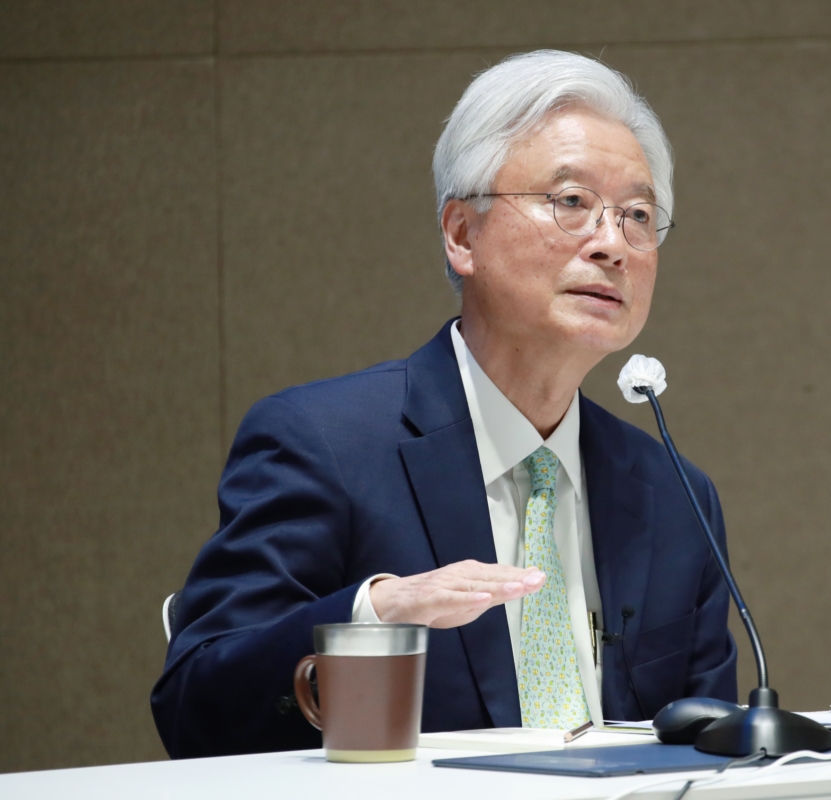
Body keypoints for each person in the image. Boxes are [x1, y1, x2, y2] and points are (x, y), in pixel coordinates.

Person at [151, 50, 737, 759]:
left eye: (638, 215)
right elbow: (194, 709)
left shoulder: (676, 496)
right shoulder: (324, 445)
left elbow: (709, 748)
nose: (612, 244)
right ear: (462, 234)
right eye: (572, 202)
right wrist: (373, 615)